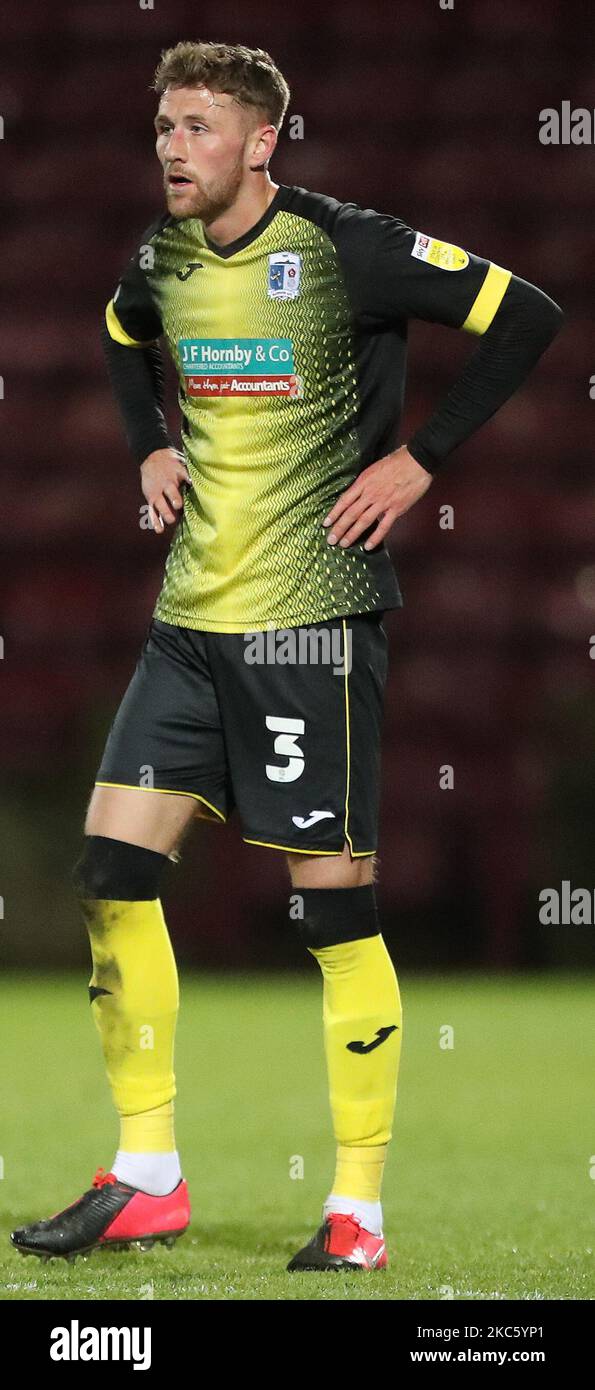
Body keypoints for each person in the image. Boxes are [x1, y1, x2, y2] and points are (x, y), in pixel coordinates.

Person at [11, 39, 562, 1271]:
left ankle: (355, 1211)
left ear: (263, 140)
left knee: (331, 911)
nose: (170, 146)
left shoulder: (345, 249)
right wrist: (149, 440)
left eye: (198, 126)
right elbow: (116, 331)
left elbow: (526, 312)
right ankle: (147, 1173)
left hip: (309, 626)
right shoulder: (160, 258)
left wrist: (422, 457)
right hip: (188, 629)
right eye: (162, 124)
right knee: (111, 875)